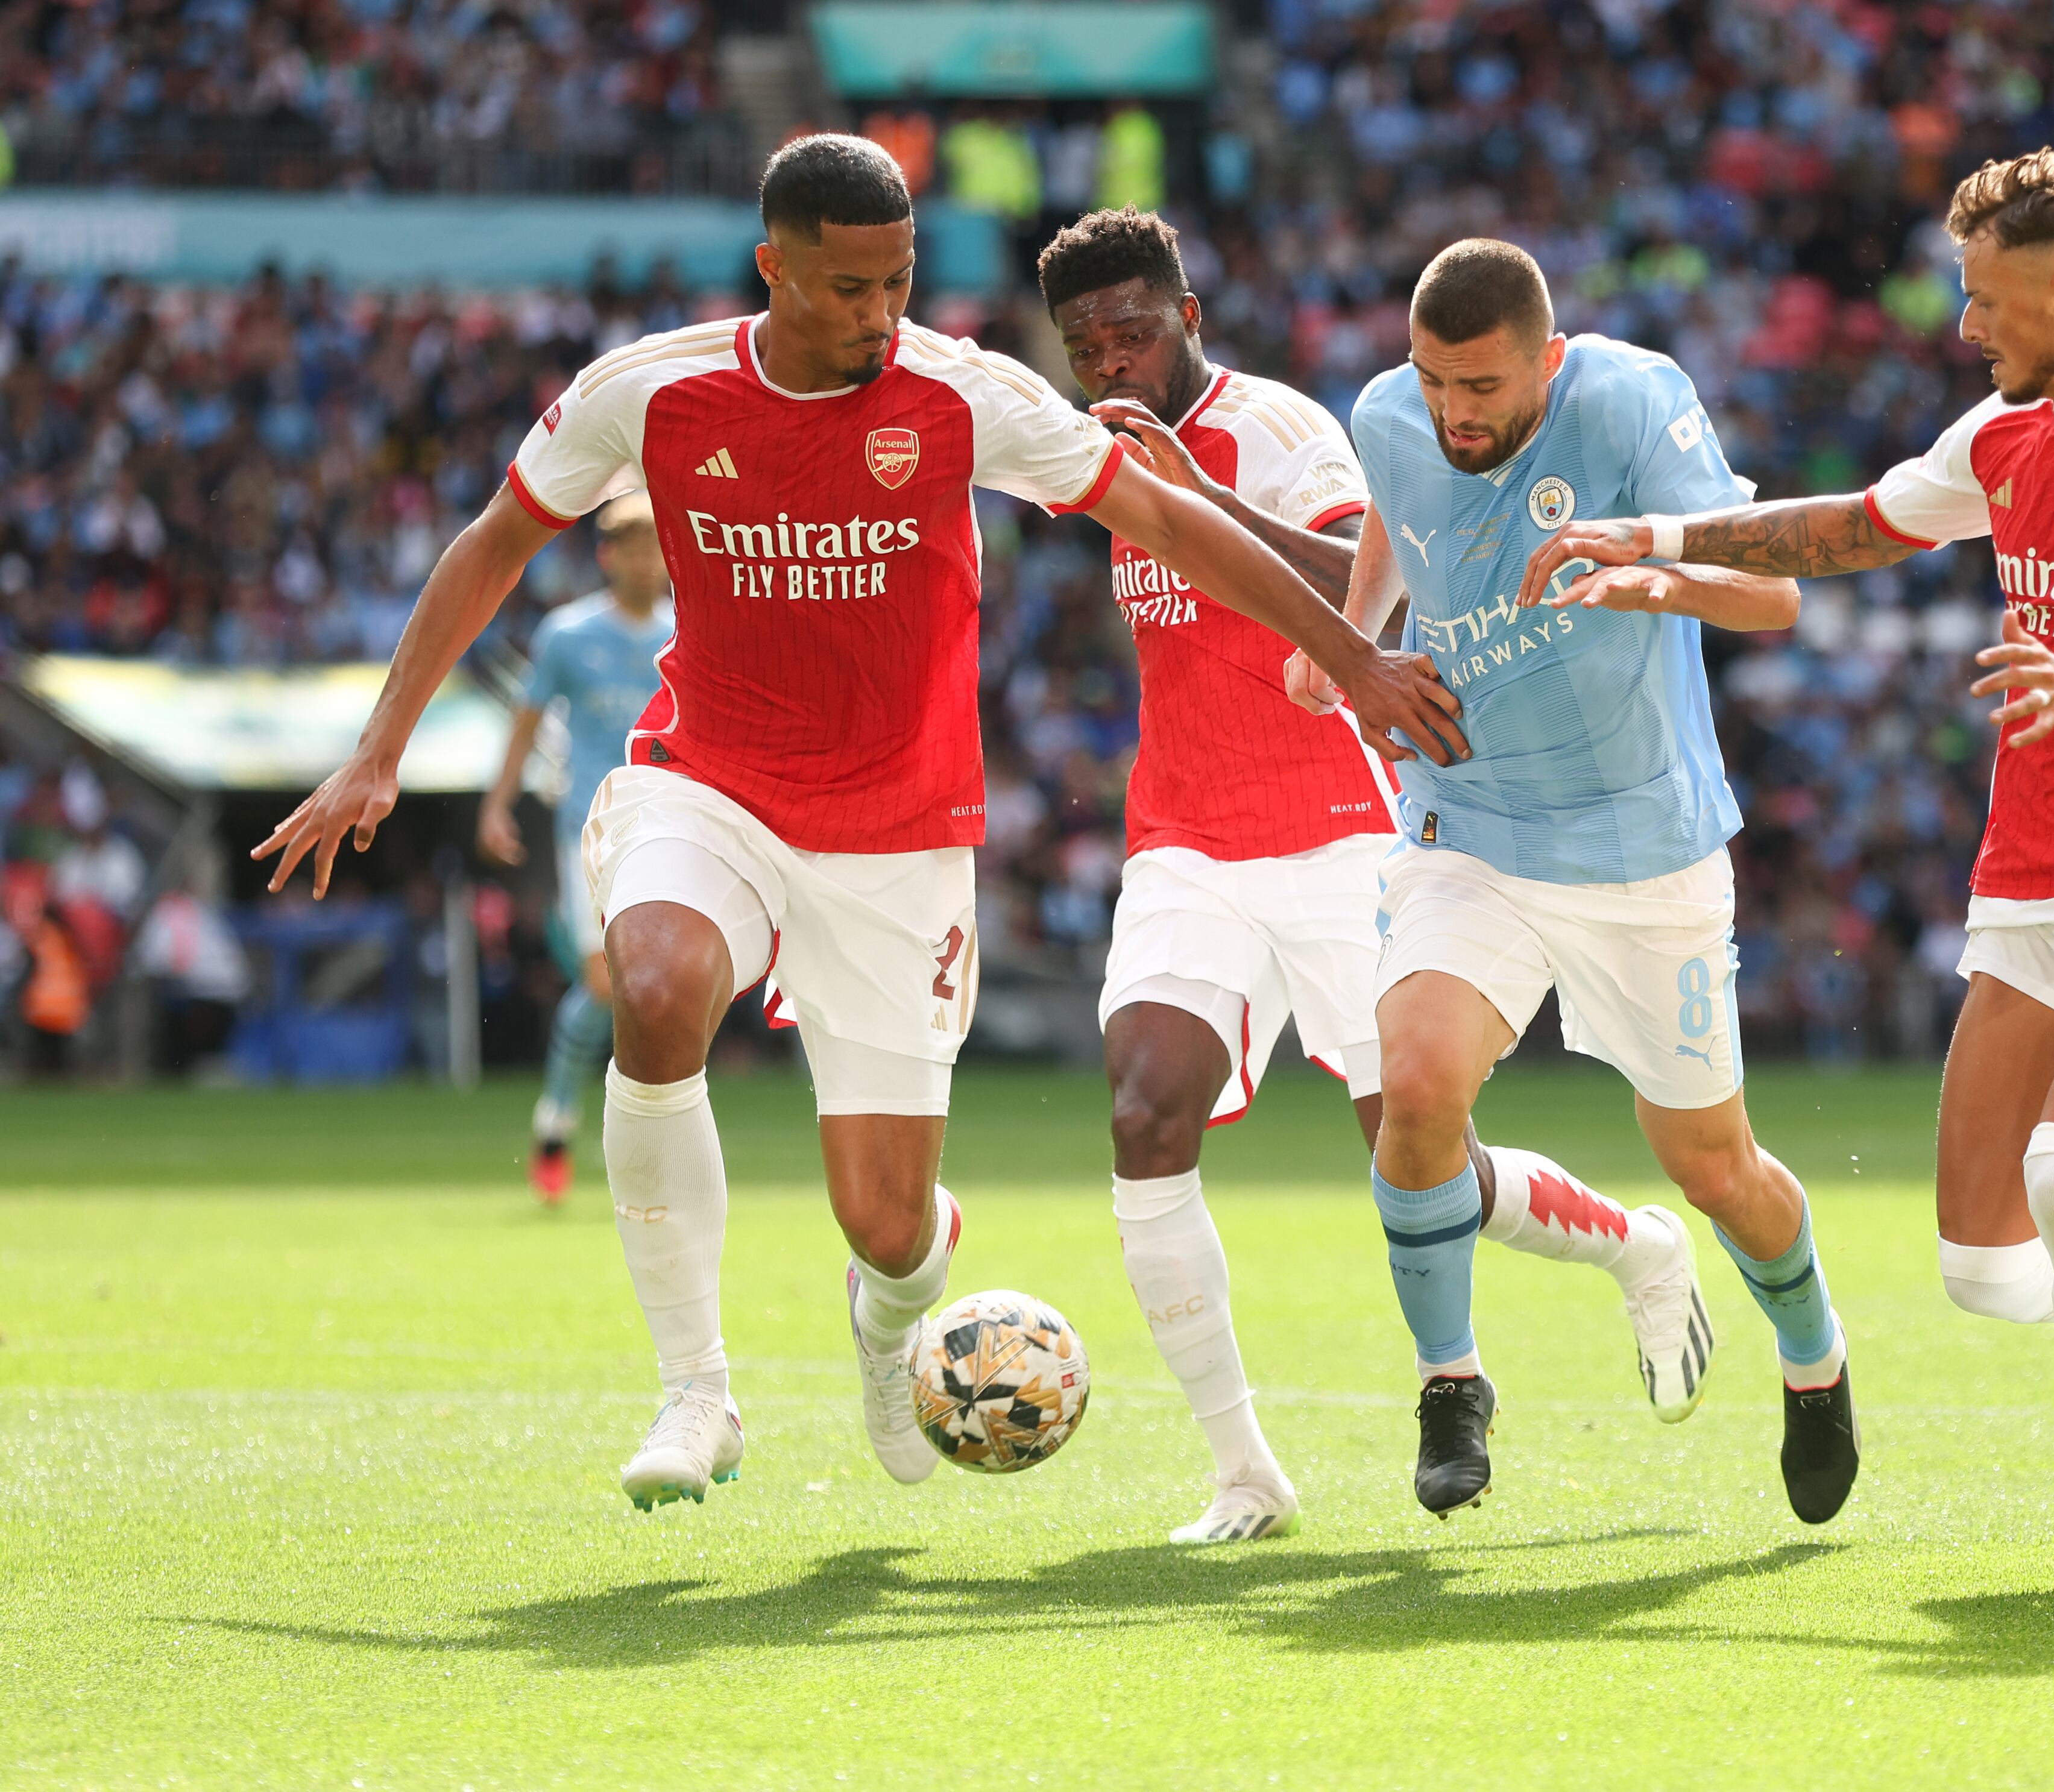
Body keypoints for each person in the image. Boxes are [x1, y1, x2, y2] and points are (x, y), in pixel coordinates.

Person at [251, 134, 1467, 1513]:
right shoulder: (650, 393)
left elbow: (1170, 521)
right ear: (773, 266)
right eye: (846, 288)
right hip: (707, 777)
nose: (880, 315)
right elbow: (493, 537)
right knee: (652, 985)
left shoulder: (963, 394)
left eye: (896, 282)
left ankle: (890, 1315)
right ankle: (696, 1388)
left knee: (888, 1226)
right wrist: (379, 750)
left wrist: (1351, 654)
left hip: (897, 834)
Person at [1521, 149, 2054, 1592]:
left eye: (1987, 300)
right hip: (2033, 874)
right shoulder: (2001, 440)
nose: (1965, 327)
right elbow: (1858, 526)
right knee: (1984, 1262)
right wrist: (1658, 538)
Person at [1038, 209, 1708, 1546]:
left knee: (1416, 1153)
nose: (1112, 359)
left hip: (1344, 825)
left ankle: (1638, 1243)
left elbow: (1372, 604)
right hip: (1184, 836)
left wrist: (1189, 490)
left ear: (1191, 321)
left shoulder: (1282, 433)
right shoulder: (1090, 452)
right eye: (1085, 343)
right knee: (1142, 1111)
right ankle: (1245, 1473)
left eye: (1135, 329)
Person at [1284, 237, 1857, 1524]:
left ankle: (1813, 1358)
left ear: (1547, 358)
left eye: (1481, 386)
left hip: (1642, 843)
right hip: (1470, 820)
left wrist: (1640, 574)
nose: (1453, 412)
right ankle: (1451, 1381)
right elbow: (1396, 505)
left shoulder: (1632, 397)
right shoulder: (1389, 414)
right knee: (1415, 1088)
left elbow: (1771, 600)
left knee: (1713, 1167)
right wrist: (1356, 638)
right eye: (1435, 380)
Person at [479, 494, 674, 1204]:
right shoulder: (567, 635)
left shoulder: (686, 632)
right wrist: (498, 804)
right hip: (588, 832)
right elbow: (527, 722)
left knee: (657, 990)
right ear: (608, 556)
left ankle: (649, 1147)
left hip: (667, 827)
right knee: (604, 985)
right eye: (635, 547)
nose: (649, 560)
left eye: (658, 547)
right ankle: (557, 1118)